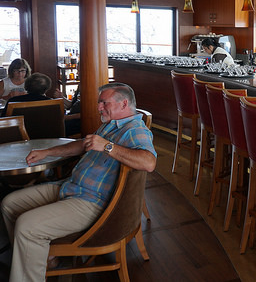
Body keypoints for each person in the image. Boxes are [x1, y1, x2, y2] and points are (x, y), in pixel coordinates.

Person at [0, 82, 156, 282]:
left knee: (26, 226)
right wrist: (47, 152)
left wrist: (107, 146)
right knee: (9, 204)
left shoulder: (135, 130)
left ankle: (29, 270)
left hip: (91, 201)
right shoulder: (111, 124)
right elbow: (83, 145)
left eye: (104, 103)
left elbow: (149, 162)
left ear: (124, 104)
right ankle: (43, 259)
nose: (99, 107)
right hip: (71, 187)